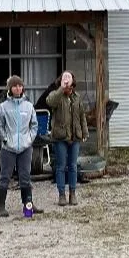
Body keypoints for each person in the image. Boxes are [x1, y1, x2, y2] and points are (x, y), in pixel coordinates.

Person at [0, 75, 37, 216]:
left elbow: (34, 125)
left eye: (20, 85)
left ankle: (28, 206)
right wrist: (5, 139)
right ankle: (1, 207)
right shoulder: (3, 107)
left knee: (25, 176)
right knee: (5, 176)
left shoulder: (29, 106)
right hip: (9, 148)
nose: (18, 88)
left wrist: (29, 139)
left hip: (25, 147)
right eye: (15, 86)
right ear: (10, 88)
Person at [47, 70, 88, 207]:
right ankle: (61, 195)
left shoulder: (77, 97)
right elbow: (50, 102)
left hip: (75, 137)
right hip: (60, 137)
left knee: (73, 166)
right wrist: (61, 89)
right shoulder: (56, 94)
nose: (66, 78)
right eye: (64, 76)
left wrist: (84, 132)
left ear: (73, 80)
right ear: (60, 80)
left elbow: (82, 116)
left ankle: (73, 193)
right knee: (60, 166)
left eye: (69, 76)